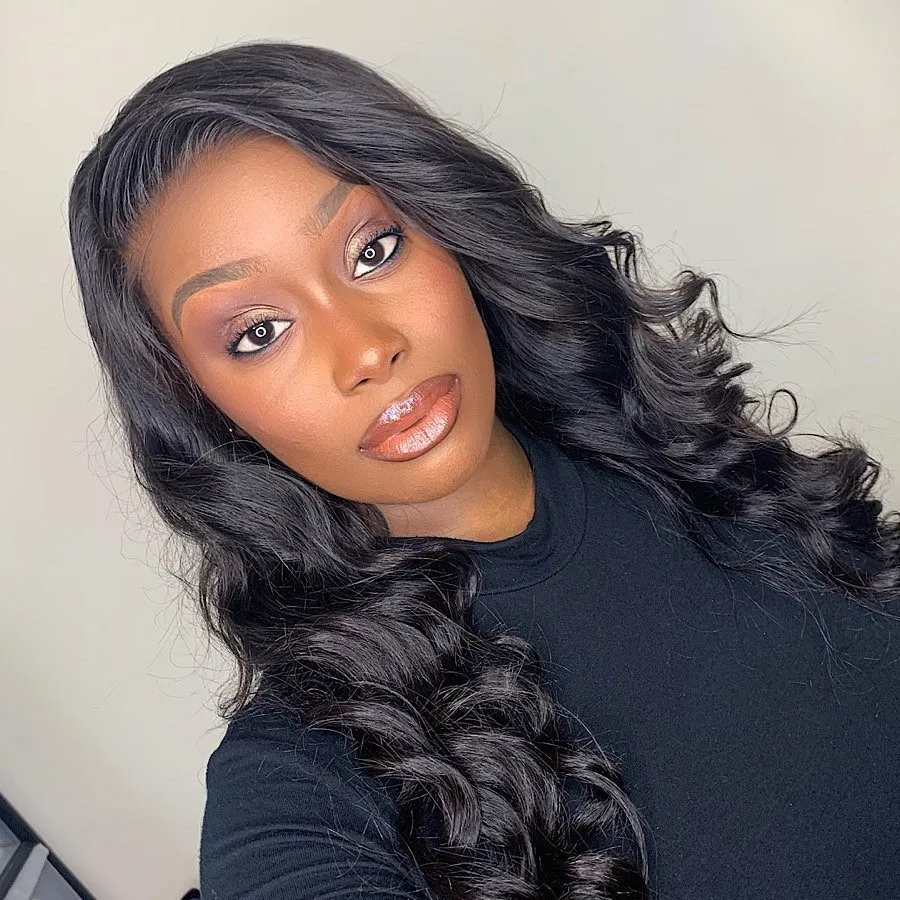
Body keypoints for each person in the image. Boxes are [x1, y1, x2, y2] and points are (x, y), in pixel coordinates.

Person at [67, 40, 900, 900]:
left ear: (447, 227)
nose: (366, 350)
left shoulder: (661, 441)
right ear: (202, 407)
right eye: (258, 333)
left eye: (372, 250)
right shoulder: (303, 778)